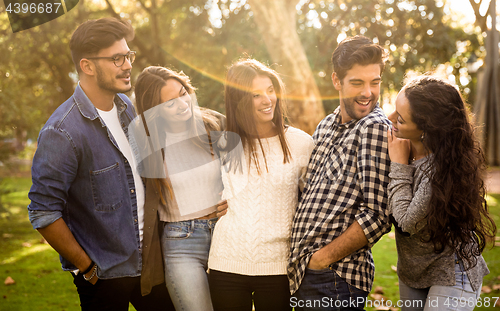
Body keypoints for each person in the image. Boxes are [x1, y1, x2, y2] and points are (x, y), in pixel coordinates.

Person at [27, 18, 174, 311]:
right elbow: (43, 212)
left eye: (128, 56)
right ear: (88, 66)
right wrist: (87, 267)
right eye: (116, 58)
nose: (127, 65)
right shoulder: (62, 131)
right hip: (104, 276)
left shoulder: (127, 108)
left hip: (151, 265)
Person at [288, 35, 392, 310]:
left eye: (375, 82)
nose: (367, 93)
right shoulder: (325, 126)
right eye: (357, 83)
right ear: (337, 81)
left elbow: (378, 214)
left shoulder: (374, 128)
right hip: (308, 274)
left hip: (336, 277)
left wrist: (323, 259)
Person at [207, 59, 314, 311]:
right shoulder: (225, 143)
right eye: (256, 94)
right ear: (239, 100)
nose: (268, 99)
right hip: (226, 263)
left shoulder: (300, 143)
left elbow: (312, 201)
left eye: (270, 90)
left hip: (278, 266)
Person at [386, 76, 497, 311]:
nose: (391, 120)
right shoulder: (400, 144)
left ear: (425, 129)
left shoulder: (439, 168)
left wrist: (398, 165)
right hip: (412, 270)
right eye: (395, 110)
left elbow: (407, 222)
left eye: (401, 119)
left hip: (452, 270)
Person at [131, 65, 226, 311]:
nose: (183, 104)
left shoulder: (214, 125)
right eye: (170, 103)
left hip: (226, 233)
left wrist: (232, 197)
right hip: (181, 241)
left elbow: (244, 172)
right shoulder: (145, 144)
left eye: (183, 93)